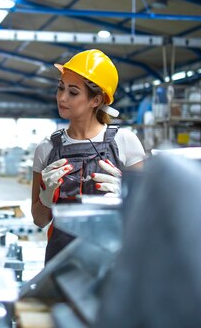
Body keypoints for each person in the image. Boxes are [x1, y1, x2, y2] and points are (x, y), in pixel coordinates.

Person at [31, 49, 145, 263]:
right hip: (60, 263)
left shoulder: (126, 142)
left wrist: (127, 198)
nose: (62, 98)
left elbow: (146, 219)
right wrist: (46, 199)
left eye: (73, 92)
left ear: (96, 100)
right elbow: (39, 220)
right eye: (60, 88)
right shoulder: (46, 149)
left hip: (112, 263)